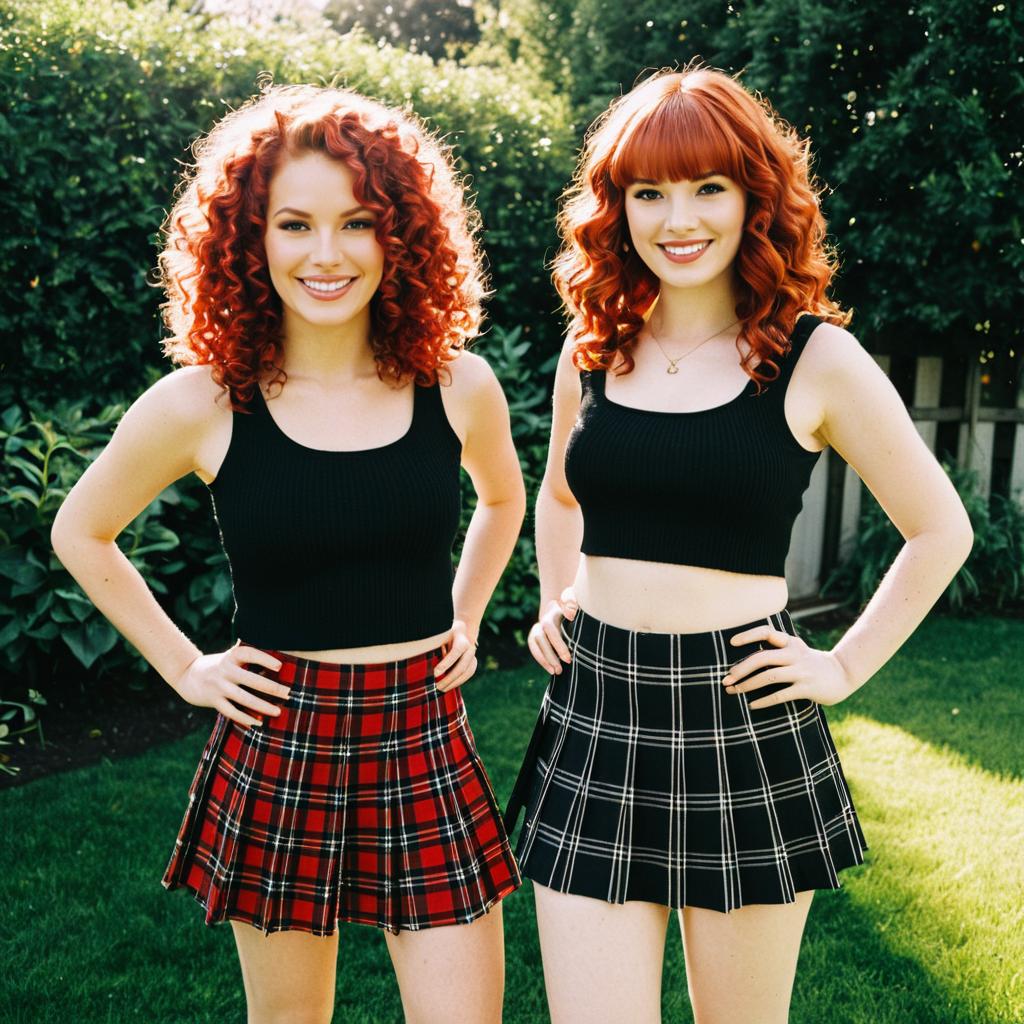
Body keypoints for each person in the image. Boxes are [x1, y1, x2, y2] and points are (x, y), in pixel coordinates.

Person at [504, 65, 974, 1024]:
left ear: (754, 198)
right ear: (617, 208)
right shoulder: (594, 348)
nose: (678, 218)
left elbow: (939, 530)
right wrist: (558, 597)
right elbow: (557, 494)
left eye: (707, 187)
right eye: (649, 192)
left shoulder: (814, 357)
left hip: (742, 719)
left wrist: (840, 668)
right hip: (596, 710)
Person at [51, 83, 525, 1024]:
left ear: (400, 234)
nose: (325, 254)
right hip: (280, 736)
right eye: (293, 223)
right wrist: (187, 667)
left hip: (421, 731)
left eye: (356, 222)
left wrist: (465, 612)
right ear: (247, 238)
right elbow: (81, 530)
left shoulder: (457, 385)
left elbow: (505, 499)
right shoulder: (203, 402)